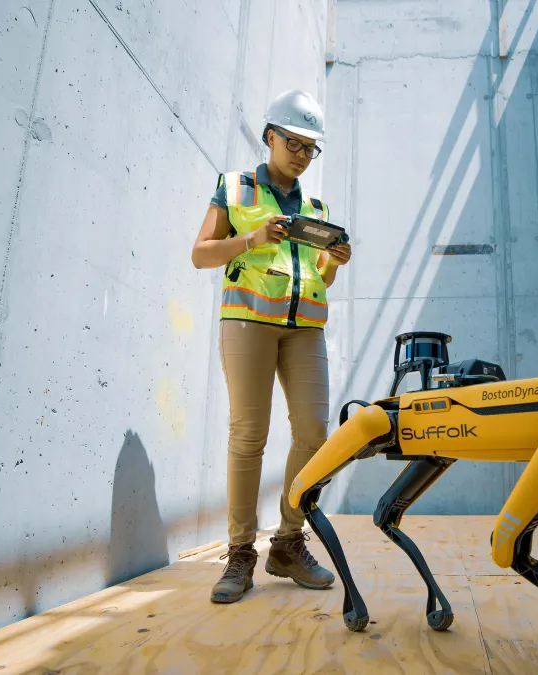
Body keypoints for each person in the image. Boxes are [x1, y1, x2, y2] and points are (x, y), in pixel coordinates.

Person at [191, 90, 352, 604]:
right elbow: (200, 255)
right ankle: (240, 554)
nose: (301, 154)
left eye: (311, 148)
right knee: (248, 435)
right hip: (248, 325)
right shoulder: (235, 189)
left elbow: (316, 276)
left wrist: (335, 262)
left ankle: (287, 542)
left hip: (305, 328)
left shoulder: (317, 208)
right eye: (293, 142)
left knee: (314, 432)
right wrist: (252, 239)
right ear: (269, 137)